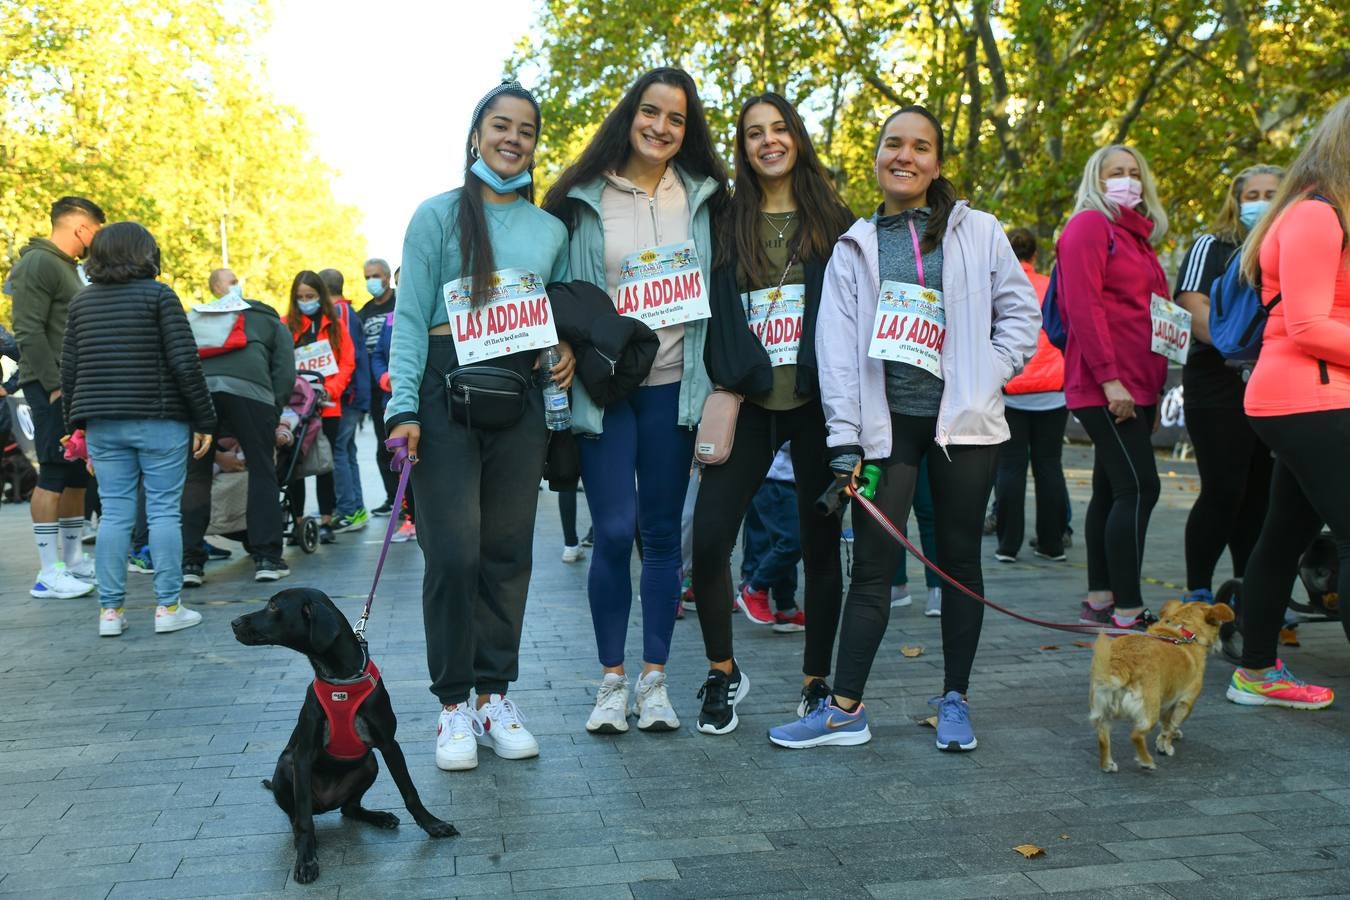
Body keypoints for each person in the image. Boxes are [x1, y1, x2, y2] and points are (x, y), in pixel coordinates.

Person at [767, 105, 1039, 752]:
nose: (905, 156)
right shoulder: (855, 245)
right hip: (888, 436)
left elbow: (1021, 315)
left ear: (937, 162)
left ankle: (954, 699)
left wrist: (983, 372)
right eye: (894, 144)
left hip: (965, 431)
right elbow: (834, 351)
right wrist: (845, 441)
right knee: (873, 572)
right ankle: (844, 710)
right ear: (878, 156)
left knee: (960, 566)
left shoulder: (980, 232)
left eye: (920, 146)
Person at [385, 80, 572, 771]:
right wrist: (402, 409)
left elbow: (569, 309)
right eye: (501, 125)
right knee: (454, 554)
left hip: (518, 397)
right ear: (475, 134)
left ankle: (495, 695)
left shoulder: (550, 229)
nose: (512, 138)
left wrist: (569, 348)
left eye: (526, 129)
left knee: (507, 553)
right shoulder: (435, 216)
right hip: (443, 390)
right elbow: (407, 321)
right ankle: (452, 705)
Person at [543, 67, 729, 735]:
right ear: (630, 116)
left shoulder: (705, 199)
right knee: (613, 531)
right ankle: (609, 682)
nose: (661, 127)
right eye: (651, 113)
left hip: (676, 387)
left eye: (676, 119)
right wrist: (559, 344)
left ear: (688, 131)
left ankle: (654, 681)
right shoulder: (580, 199)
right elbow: (552, 288)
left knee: (658, 539)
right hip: (604, 390)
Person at [689, 91, 851, 734]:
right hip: (747, 401)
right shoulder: (724, 219)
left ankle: (816, 681)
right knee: (707, 540)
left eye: (779, 129)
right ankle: (722, 670)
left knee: (820, 547)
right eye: (754, 133)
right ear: (743, 146)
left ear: (797, 137)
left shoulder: (835, 220)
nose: (768, 141)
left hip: (817, 403)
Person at [1226, 98, 1350, 711]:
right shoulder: (1316, 216)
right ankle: (1254, 668)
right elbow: (1306, 325)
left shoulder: (1325, 214)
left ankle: (1255, 671)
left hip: (1313, 397)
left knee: (1283, 534)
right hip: (1310, 397)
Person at [59, 222, 216, 636]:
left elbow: (70, 370)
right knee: (164, 511)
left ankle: (110, 613)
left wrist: (74, 428)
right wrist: (205, 419)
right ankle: (167, 607)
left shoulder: (82, 303)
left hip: (102, 424)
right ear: (146, 253)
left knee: (114, 514)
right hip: (159, 419)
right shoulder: (160, 296)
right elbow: (185, 363)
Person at [1057, 144, 1171, 631]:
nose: (1126, 180)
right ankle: (1128, 610)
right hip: (1107, 385)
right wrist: (1110, 379)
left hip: (1138, 385)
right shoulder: (1089, 226)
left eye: (1133, 172)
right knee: (1140, 487)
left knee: (1110, 488)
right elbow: (1083, 306)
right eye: (1114, 173)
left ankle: (1101, 600)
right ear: (1095, 181)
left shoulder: (1140, 239)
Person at [1173, 166, 1283, 603]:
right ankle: (1198, 591)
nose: (1260, 201)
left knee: (1261, 495)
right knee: (1223, 490)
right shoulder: (1212, 245)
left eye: (1271, 193)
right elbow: (1192, 303)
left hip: (1274, 385)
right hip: (1218, 386)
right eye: (1251, 193)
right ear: (1236, 202)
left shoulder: (1290, 244)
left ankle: (1250, 591)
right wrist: (1236, 346)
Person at [11, 196, 105, 599]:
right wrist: (52, 385)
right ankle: (49, 572)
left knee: (73, 471)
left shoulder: (67, 267)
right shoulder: (39, 262)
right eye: (97, 232)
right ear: (81, 228)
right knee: (52, 468)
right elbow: (27, 329)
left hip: (74, 385)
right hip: (51, 386)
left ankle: (73, 560)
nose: (97, 241)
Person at [179, 268, 296, 585]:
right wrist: (273, 409)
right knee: (262, 470)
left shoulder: (197, 315)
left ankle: (190, 562)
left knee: (196, 474)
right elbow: (285, 370)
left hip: (200, 392)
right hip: (251, 392)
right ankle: (267, 558)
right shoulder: (268, 318)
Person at [994, 227, 1069, 563]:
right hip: (1054, 390)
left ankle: (1007, 545)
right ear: (1036, 255)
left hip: (1011, 389)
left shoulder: (998, 286)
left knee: (1010, 467)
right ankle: (1052, 543)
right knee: (1049, 466)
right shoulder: (1052, 285)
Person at [285, 270, 355, 544]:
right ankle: (298, 521)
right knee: (294, 463)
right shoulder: (285, 325)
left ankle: (327, 519)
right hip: (295, 406)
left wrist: (332, 389)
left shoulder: (336, 325)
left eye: (311, 296)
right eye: (301, 297)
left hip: (327, 405)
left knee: (325, 462)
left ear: (320, 296)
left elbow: (348, 362)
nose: (306, 301)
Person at [319, 268, 370, 534]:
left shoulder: (339, 314)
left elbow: (347, 356)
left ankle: (348, 509)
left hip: (346, 395)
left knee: (338, 449)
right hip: (353, 393)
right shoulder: (348, 312)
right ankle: (356, 507)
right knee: (347, 451)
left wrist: (344, 390)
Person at [359, 258, 398, 516]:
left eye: (375, 276)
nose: (371, 281)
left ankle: (411, 502)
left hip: (401, 384)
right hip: (377, 387)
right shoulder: (364, 312)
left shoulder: (400, 303)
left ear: (386, 277)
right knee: (383, 446)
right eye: (366, 277)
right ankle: (393, 498)